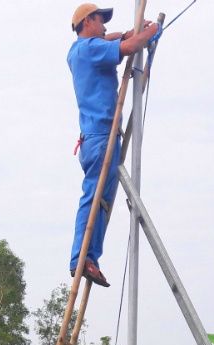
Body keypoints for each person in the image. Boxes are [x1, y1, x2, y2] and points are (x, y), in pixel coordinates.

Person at [68, 4, 159, 287]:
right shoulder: (87, 50)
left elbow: (116, 38)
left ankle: (90, 257)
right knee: (94, 198)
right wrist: (151, 31)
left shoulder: (79, 50)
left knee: (102, 203)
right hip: (99, 138)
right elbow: (129, 46)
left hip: (102, 137)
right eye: (100, 20)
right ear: (87, 22)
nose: (105, 25)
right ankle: (80, 259)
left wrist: (132, 32)